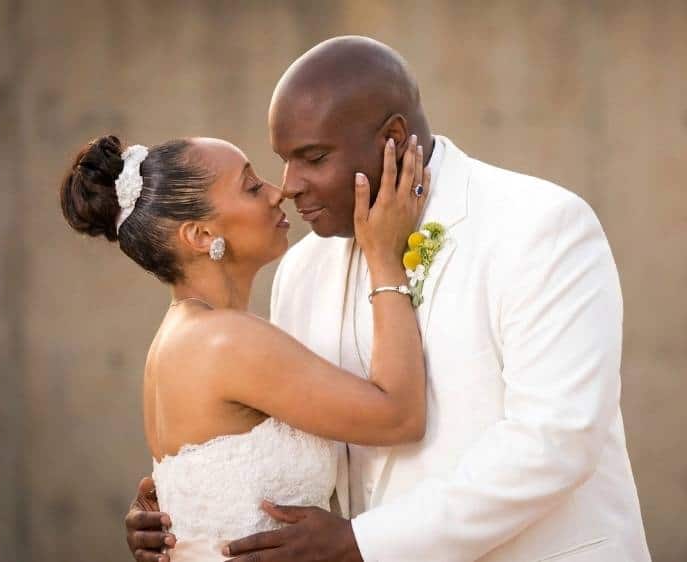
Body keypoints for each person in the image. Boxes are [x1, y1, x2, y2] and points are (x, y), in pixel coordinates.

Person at [127, 36, 652, 562]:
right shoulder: (301, 270)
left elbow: (557, 441)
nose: (289, 186)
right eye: (283, 161)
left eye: (313, 158)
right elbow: (301, 447)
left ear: (393, 137)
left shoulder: (540, 226)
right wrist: (183, 512)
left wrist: (364, 543)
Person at [61, 132, 431, 562]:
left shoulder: (180, 336)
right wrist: (384, 258)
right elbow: (399, 416)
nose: (280, 193)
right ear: (200, 235)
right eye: (252, 186)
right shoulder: (224, 341)